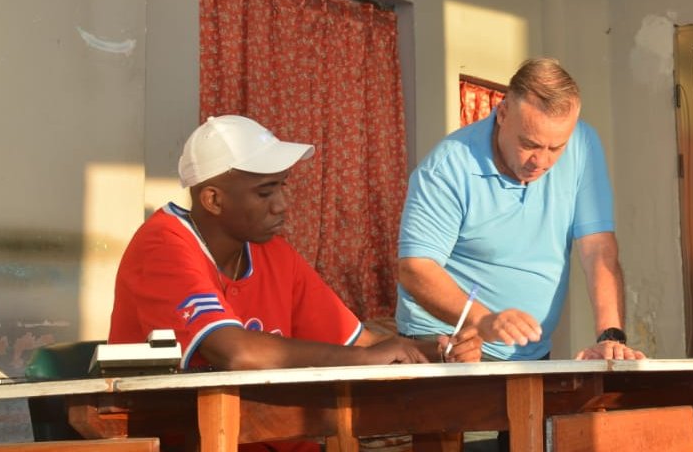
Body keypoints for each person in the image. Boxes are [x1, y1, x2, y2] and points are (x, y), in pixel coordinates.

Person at [110, 115, 482, 375]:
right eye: (265, 191)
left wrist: (441, 348)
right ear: (213, 199)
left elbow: (359, 342)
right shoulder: (164, 244)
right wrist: (366, 358)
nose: (282, 204)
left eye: (282, 185)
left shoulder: (273, 251)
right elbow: (234, 352)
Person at [396, 58, 644, 363]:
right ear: (502, 113)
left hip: (531, 352)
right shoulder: (448, 167)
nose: (541, 161)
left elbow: (597, 250)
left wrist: (611, 336)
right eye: (529, 144)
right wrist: (482, 320)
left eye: (556, 148)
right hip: (448, 347)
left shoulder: (583, 144)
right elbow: (415, 268)